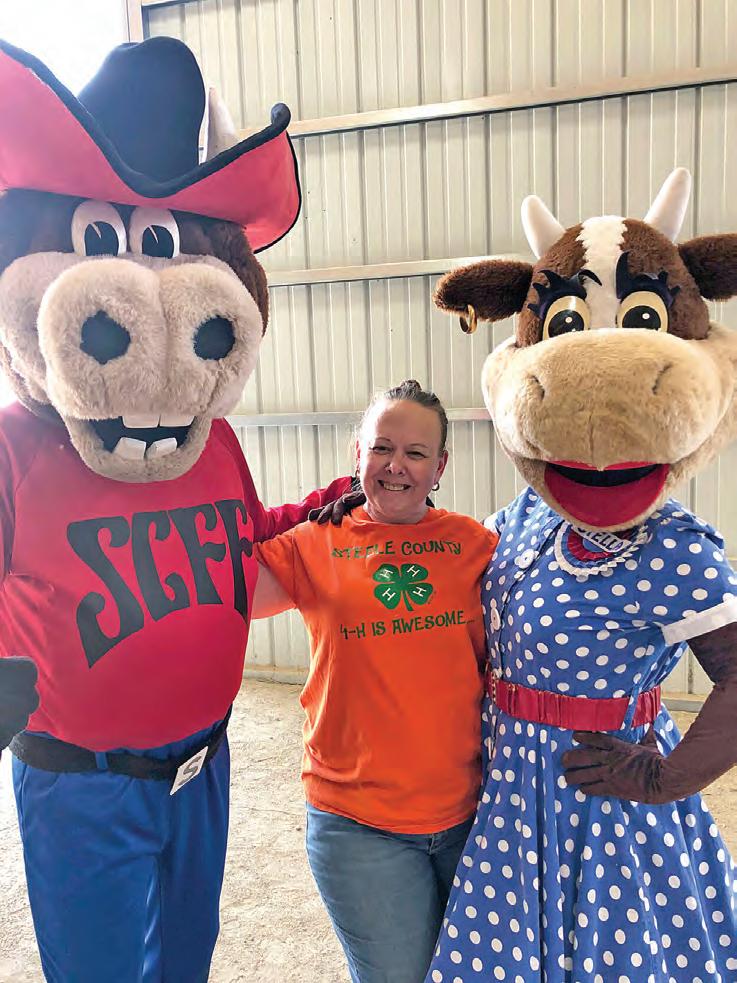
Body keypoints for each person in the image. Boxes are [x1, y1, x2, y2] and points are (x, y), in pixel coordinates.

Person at [252, 380, 499, 983]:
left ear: (440, 466)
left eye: (416, 453)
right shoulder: (314, 542)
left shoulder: (476, 545)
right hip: (359, 824)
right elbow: (218, 594)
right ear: (356, 453)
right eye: (381, 447)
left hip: (474, 814)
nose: (396, 465)